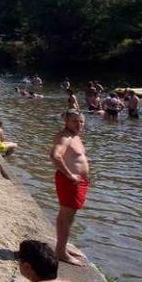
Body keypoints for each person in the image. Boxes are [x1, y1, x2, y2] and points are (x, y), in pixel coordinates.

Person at [49, 110, 90, 266]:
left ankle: (62, 246)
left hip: (78, 182)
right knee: (67, 216)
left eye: (81, 121)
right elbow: (54, 155)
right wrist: (70, 175)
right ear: (66, 121)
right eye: (75, 121)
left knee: (67, 216)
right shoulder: (65, 137)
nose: (79, 124)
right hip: (70, 181)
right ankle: (61, 252)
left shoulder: (75, 136)